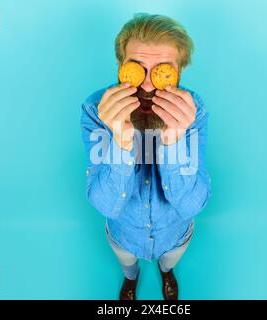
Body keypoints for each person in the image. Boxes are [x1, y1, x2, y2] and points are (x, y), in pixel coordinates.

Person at [80, 13, 211, 300]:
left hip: (173, 234)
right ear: (120, 66)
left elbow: (191, 205)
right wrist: (121, 139)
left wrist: (174, 140)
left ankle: (167, 273)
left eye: (162, 71)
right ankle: (131, 278)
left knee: (170, 260)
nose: (148, 86)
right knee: (127, 263)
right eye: (137, 69)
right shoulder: (95, 109)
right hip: (124, 232)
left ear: (179, 73)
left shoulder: (193, 112)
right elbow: (106, 205)